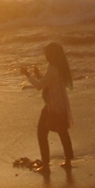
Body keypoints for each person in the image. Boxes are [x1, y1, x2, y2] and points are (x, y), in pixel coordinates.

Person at [20, 42, 74, 173]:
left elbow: (40, 86)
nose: (45, 56)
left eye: (46, 53)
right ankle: (68, 161)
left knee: (42, 134)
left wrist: (27, 75)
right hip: (60, 105)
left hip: (52, 106)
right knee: (63, 133)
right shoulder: (60, 67)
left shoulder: (52, 68)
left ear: (51, 55)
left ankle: (45, 165)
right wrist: (39, 76)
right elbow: (49, 83)